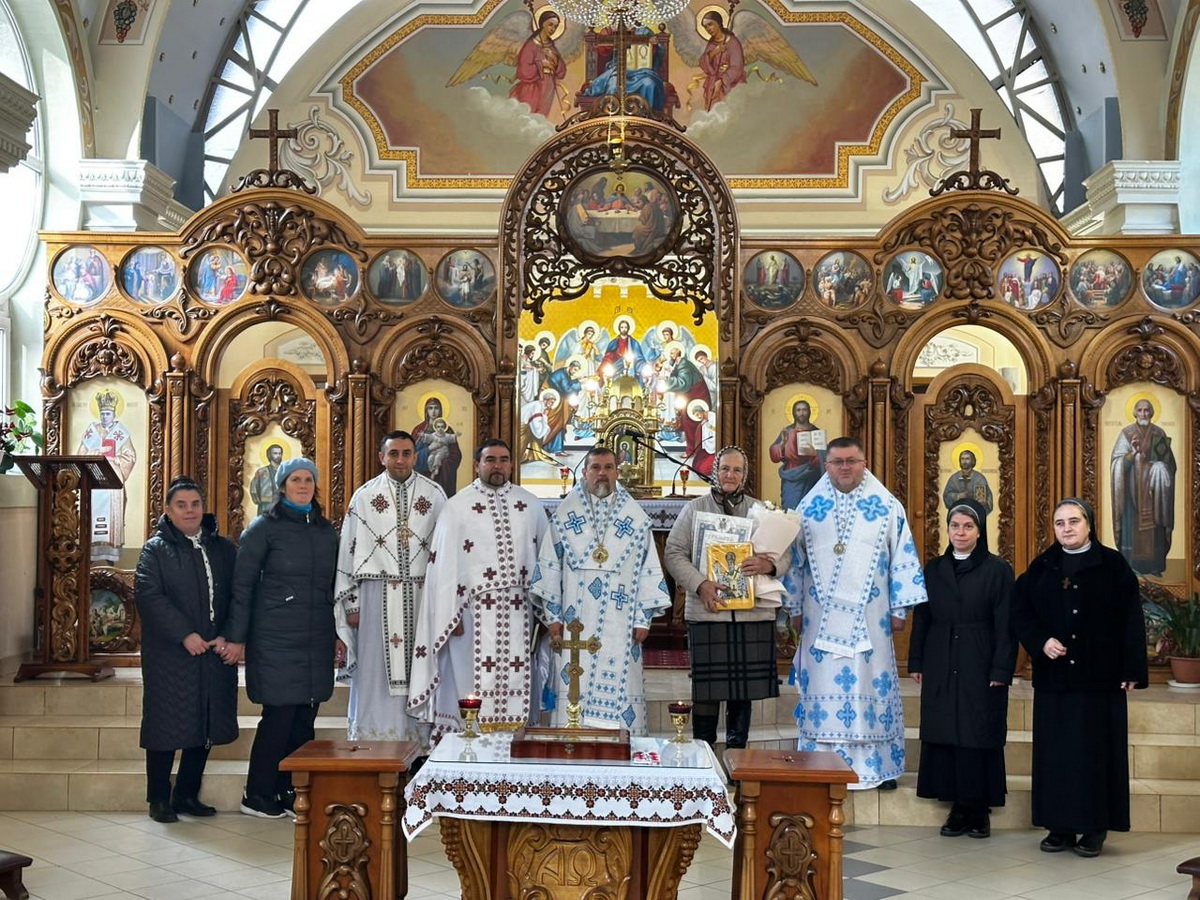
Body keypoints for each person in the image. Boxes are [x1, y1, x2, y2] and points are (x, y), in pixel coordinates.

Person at [784, 437, 927, 790]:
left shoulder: (887, 506)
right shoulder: (808, 507)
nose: (845, 467)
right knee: (822, 687)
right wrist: (795, 608)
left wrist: (899, 608)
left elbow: (903, 558)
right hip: (819, 622)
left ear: (864, 463)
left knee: (870, 685)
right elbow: (795, 563)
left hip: (871, 621)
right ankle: (820, 764)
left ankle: (877, 767)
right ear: (827, 465)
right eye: (837, 462)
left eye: (851, 461)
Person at [1012, 498, 1147, 858]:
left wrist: (1132, 668)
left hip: (1099, 677)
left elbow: (1131, 619)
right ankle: (1059, 827)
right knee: (1056, 755)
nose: (1067, 528)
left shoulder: (1112, 565)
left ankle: (1094, 828)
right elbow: (1020, 612)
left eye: (1074, 521)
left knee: (1095, 753)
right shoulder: (1042, 566)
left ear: (1089, 524)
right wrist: (1041, 641)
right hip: (1055, 679)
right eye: (1060, 523)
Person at [222, 458, 340, 818]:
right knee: (279, 716)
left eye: (308, 480)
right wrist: (237, 637)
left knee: (305, 717)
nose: (303, 485)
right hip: (275, 638)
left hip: (316, 637)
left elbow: (335, 587)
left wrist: (339, 634)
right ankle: (257, 793)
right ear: (282, 486)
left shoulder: (325, 531)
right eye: (295, 480)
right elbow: (242, 586)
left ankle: (290, 790)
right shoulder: (263, 529)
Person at [408, 440, 548, 740]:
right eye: (490, 460)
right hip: (470, 612)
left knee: (517, 677)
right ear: (476, 465)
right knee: (469, 681)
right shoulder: (457, 507)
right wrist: (450, 614)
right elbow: (443, 566)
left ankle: (513, 742)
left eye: (504, 459)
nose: (497, 466)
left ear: (511, 465)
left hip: (519, 611)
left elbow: (545, 562)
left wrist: (545, 612)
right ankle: (467, 743)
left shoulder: (531, 505)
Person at [530, 446, 670, 734]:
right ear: (584, 472)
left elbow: (648, 569)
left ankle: (621, 744)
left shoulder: (635, 519)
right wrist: (553, 617)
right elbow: (550, 567)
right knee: (574, 680)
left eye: (608, 467)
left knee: (623, 685)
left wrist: (642, 618)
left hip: (622, 618)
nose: (602, 473)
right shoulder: (564, 517)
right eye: (595, 467)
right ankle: (572, 742)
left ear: (618, 472)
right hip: (574, 619)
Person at [665, 447, 789, 748]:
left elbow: (784, 555)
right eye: (724, 469)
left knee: (742, 693)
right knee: (707, 692)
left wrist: (769, 565)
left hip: (752, 614)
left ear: (745, 475)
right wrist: (700, 584)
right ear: (715, 471)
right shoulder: (694, 509)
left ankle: (737, 756)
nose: (730, 475)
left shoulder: (762, 511)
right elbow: (673, 553)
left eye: (737, 470)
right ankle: (704, 753)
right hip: (708, 612)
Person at [909, 499, 1016, 840]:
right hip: (940, 656)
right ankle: (956, 807)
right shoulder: (934, 569)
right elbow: (922, 617)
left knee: (977, 730)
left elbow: (1006, 624)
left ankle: (978, 809)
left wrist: (1001, 669)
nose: (960, 532)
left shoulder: (997, 570)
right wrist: (916, 661)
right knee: (945, 729)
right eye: (955, 525)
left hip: (979, 657)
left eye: (968, 526)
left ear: (980, 531)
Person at [134, 475, 239, 822]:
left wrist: (230, 636)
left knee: (204, 724)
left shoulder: (223, 549)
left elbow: (239, 596)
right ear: (168, 510)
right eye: (181, 505)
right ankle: (158, 799)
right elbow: (149, 596)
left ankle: (186, 795)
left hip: (213, 652)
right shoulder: (155, 550)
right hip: (171, 654)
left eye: (195, 504)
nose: (190, 511)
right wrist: (184, 634)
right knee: (165, 727)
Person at [334, 432, 445, 745]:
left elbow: (446, 551)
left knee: (421, 668)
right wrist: (352, 604)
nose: (400, 460)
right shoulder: (365, 496)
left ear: (415, 457)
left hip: (422, 598)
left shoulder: (435, 495)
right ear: (381, 457)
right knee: (375, 675)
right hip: (375, 596)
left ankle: (419, 745)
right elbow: (348, 551)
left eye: (406, 453)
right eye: (393, 453)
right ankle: (374, 744)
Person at [1110, 398, 1176, 575]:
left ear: (1152, 412)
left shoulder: (1159, 432)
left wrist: (1160, 467)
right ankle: (1130, 567)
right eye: (1139, 410)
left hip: (1155, 494)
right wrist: (1131, 456)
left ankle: (1154, 567)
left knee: (1155, 528)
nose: (1143, 414)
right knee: (1132, 528)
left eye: (1147, 410)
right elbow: (1116, 463)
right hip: (1132, 492)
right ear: (1134, 413)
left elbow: (1170, 464)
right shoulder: (1126, 433)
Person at [77, 388, 137, 564]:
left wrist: (113, 459)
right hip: (93, 483)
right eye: (102, 414)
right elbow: (80, 454)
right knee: (92, 515)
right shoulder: (92, 431)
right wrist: (98, 452)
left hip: (112, 484)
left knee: (111, 518)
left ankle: (111, 555)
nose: (105, 417)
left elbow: (130, 457)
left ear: (114, 414)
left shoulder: (121, 433)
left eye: (108, 414)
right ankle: (91, 553)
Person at [509, 9, 566, 119]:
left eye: (555, 27)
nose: (553, 29)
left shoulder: (551, 47)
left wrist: (554, 57)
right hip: (532, 87)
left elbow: (561, 72)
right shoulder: (531, 45)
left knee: (541, 117)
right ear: (543, 24)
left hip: (548, 86)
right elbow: (523, 71)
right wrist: (542, 64)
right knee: (530, 116)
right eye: (550, 25)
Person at [769, 400, 825, 510]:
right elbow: (774, 456)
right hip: (791, 475)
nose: (801, 413)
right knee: (790, 508)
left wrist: (815, 454)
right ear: (794, 413)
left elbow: (824, 457)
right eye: (798, 410)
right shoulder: (787, 432)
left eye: (804, 410)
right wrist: (782, 443)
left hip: (811, 475)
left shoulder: (816, 432)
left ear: (809, 412)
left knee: (809, 508)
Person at [413, 396, 462, 497]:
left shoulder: (447, 430)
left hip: (442, 477)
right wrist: (428, 449)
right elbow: (412, 456)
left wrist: (444, 463)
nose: (433, 411)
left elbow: (456, 455)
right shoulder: (419, 430)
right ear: (426, 411)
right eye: (430, 408)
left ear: (440, 410)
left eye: (436, 408)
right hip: (422, 476)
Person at [699, 9, 745, 111]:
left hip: (730, 85)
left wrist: (722, 81)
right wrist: (715, 52)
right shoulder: (712, 43)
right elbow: (703, 62)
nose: (708, 29)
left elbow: (737, 68)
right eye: (705, 27)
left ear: (718, 23)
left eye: (710, 24)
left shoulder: (732, 42)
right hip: (713, 84)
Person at [941, 449, 994, 514]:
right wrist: (958, 496)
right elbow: (946, 496)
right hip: (958, 513)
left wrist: (985, 502)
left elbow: (989, 497)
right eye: (962, 459)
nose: (964, 461)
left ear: (972, 460)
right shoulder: (954, 478)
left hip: (975, 513)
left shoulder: (979, 478)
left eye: (967, 459)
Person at [249, 443, 284, 515]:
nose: (278, 455)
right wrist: (259, 500)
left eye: (280, 453)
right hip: (265, 505)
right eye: (275, 453)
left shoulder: (285, 471)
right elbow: (253, 487)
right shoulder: (261, 471)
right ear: (269, 455)